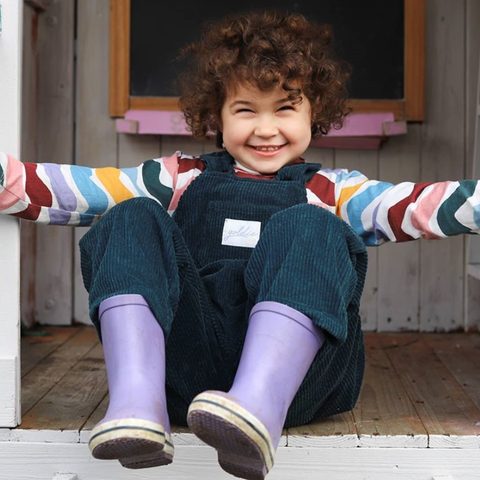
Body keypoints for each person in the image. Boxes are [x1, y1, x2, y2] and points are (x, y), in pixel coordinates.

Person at [0, 9, 478, 480]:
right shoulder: (179, 178)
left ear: (316, 113)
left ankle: (257, 406)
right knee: (128, 214)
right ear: (217, 116)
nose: (265, 129)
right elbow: (85, 190)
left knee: (314, 226)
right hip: (185, 374)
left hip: (299, 386)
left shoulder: (333, 192)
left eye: (286, 108)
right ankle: (137, 406)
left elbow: (415, 205)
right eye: (245, 109)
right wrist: (9, 180)